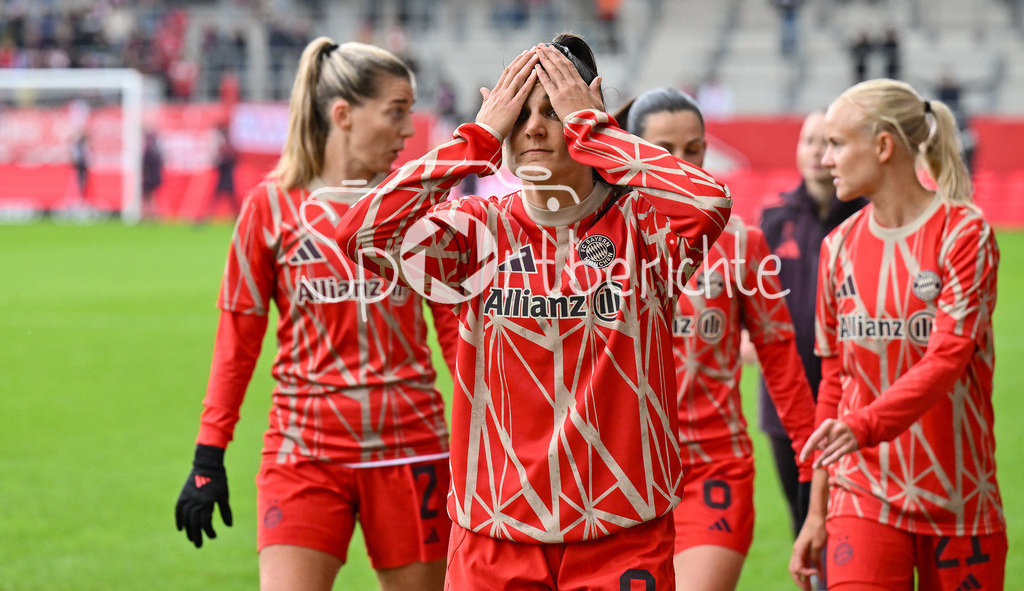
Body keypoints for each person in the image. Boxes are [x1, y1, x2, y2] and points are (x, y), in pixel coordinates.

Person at [338, 34, 733, 589]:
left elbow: (710, 201)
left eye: (553, 111)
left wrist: (597, 131)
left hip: (622, 536)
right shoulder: (476, 229)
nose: (535, 129)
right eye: (519, 114)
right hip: (492, 537)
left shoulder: (644, 228)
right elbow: (362, 234)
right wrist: (474, 139)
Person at [174, 38, 458, 591]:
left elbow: (455, 336)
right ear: (343, 114)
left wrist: (492, 437)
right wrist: (209, 455)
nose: (409, 130)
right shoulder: (269, 207)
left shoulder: (417, 207)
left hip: (411, 451)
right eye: (397, 112)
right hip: (302, 454)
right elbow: (238, 341)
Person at [789, 79, 1006, 590]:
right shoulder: (837, 246)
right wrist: (817, 512)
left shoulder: (965, 234)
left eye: (838, 144)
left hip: (959, 498)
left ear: (884, 146)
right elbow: (835, 383)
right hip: (861, 494)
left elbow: (947, 359)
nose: (825, 159)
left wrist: (864, 425)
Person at [617, 88, 816, 591]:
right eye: (665, 150)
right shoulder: (601, 244)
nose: (682, 164)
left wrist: (816, 470)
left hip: (713, 470)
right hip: (621, 474)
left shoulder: (740, 243)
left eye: (694, 149)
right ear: (633, 152)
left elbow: (781, 364)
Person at [756, 111, 866, 539]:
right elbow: (750, 296)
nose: (819, 152)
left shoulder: (868, 219)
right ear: (798, 150)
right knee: (803, 520)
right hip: (785, 398)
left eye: (830, 141)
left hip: (854, 395)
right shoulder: (772, 218)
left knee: (852, 519)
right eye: (810, 141)